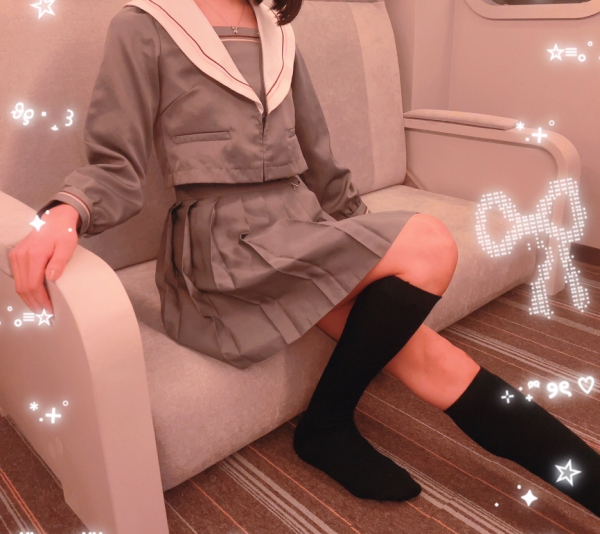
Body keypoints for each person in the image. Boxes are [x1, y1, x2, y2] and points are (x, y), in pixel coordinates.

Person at [9, 0, 599, 517]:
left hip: (300, 227)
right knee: (431, 243)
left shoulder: (276, 28)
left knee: (431, 359)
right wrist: (67, 211)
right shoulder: (145, 23)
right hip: (226, 246)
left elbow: (318, 154)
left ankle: (328, 427)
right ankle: (328, 422)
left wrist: (357, 234)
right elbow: (116, 165)